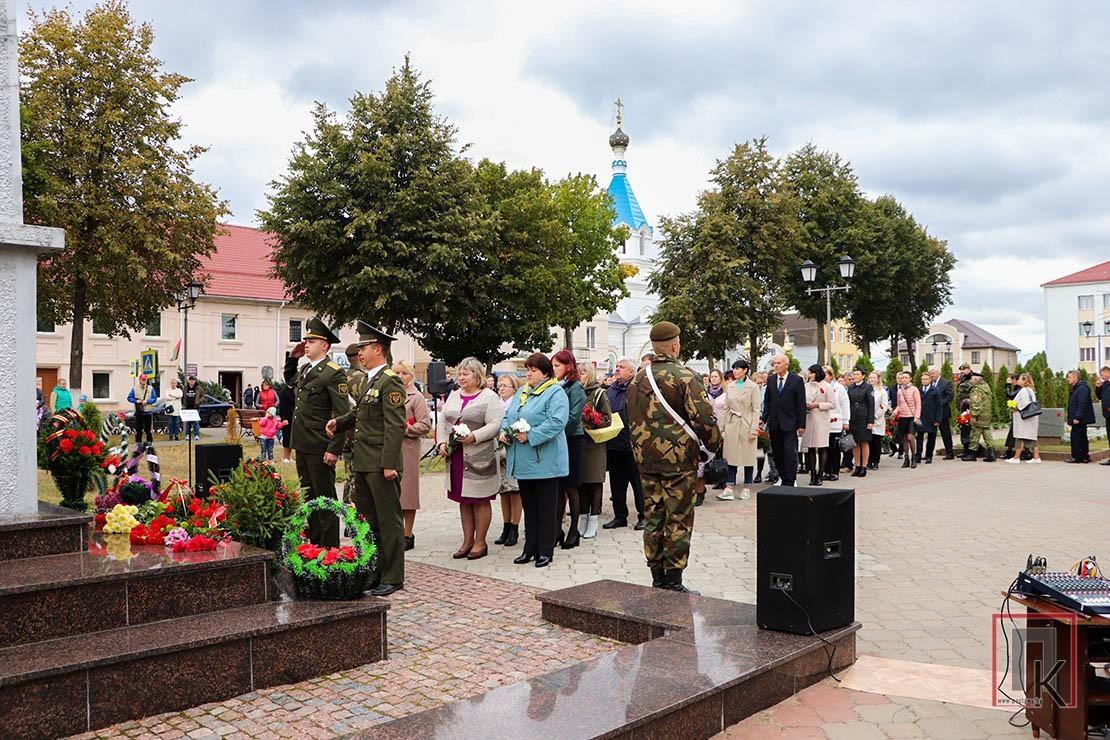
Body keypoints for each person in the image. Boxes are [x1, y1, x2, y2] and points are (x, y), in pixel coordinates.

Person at [626, 322, 720, 593]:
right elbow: (704, 418)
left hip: (646, 459)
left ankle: (656, 577)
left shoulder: (637, 378)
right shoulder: (685, 376)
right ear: (675, 345)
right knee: (678, 517)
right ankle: (674, 580)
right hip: (678, 461)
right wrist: (714, 446)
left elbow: (630, 416)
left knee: (653, 514)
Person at [327, 322, 406, 596]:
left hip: (380, 464)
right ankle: (375, 569)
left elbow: (395, 426)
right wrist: (339, 422)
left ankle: (394, 575)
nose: (360, 352)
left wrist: (388, 464)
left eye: (364, 347)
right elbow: (361, 416)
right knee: (368, 522)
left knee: (389, 521)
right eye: (359, 347)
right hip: (363, 461)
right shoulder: (370, 379)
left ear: (378, 349)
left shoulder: (390, 381)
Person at [284, 317, 350, 548]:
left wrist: (334, 449)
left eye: (311, 340)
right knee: (308, 499)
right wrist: (292, 359)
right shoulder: (306, 368)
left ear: (325, 345)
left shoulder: (333, 373)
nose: (306, 344)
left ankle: (330, 548)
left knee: (325, 499)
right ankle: (314, 545)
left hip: (320, 445)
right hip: (302, 443)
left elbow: (343, 416)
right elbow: (290, 381)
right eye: (306, 340)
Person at [502, 352, 569, 569]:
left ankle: (545, 550)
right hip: (523, 461)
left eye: (533, 370)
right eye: (526, 370)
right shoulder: (522, 391)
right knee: (530, 507)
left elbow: (557, 422)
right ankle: (529, 548)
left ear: (545, 372)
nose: (528, 374)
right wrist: (504, 431)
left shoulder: (555, 392)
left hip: (545, 460)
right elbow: (508, 415)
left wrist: (531, 435)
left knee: (546, 508)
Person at [437, 356, 504, 561]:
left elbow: (495, 424)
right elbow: (443, 421)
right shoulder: (454, 394)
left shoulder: (489, 397)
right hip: (457, 455)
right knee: (464, 500)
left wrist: (474, 436)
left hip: (479, 456)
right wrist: (441, 442)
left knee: (479, 499)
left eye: (465, 374)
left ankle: (480, 542)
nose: (461, 377)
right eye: (459, 374)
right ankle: (467, 540)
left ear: (477, 375)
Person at [604, 357, 646, 531]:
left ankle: (644, 516)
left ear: (632, 372)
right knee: (617, 483)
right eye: (617, 366)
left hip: (632, 445)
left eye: (622, 367)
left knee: (638, 484)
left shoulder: (637, 389)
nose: (617, 369)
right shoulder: (610, 390)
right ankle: (620, 516)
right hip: (613, 444)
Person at [552, 349, 586, 550]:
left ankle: (574, 530)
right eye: (553, 366)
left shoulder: (576, 388)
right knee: (558, 487)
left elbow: (573, 418)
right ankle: (556, 529)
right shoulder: (555, 387)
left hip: (572, 439)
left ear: (568, 367)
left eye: (557, 365)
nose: (554, 369)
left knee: (571, 486)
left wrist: (553, 432)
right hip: (558, 440)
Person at [395, 361, 430, 551]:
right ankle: (396, 531)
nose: (400, 377)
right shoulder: (390, 394)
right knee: (393, 493)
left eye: (405, 373)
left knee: (407, 493)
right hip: (390, 447)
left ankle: (408, 534)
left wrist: (408, 428)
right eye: (397, 373)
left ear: (411, 376)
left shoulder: (416, 397)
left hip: (408, 447)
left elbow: (425, 424)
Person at [578, 362, 611, 539]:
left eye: (583, 373)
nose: (580, 376)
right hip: (579, 443)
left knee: (594, 482)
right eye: (578, 373)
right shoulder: (575, 391)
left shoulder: (599, 393)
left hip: (594, 444)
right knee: (581, 483)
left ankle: (593, 519)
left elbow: (607, 419)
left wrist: (591, 418)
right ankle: (583, 518)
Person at [762, 354, 807, 487]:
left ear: (786, 365)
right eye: (774, 363)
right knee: (777, 452)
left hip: (790, 422)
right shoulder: (770, 380)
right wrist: (764, 418)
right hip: (775, 423)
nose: (775, 366)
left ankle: (790, 480)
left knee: (789, 452)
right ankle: (782, 476)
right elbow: (767, 402)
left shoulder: (796, 380)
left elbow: (801, 404)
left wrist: (802, 424)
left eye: (778, 363)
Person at [719, 359, 760, 500]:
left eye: (738, 368)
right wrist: (723, 428)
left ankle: (747, 486)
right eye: (734, 368)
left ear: (745, 370)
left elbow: (756, 409)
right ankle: (729, 486)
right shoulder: (730, 386)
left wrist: (754, 429)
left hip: (747, 422)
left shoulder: (753, 387)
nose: (735, 371)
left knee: (748, 456)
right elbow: (726, 407)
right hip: (732, 423)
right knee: (731, 456)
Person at [494, 374, 523, 545]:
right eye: (500, 385)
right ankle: (505, 526)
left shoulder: (516, 403)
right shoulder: (497, 404)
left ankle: (515, 527)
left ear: (514, 388)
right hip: (499, 451)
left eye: (505, 385)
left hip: (512, 450)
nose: (501, 388)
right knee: (503, 491)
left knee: (514, 491)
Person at [341, 343, 368, 505]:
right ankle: (356, 516)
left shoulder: (341, 377)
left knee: (348, 474)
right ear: (360, 356)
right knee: (358, 477)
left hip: (343, 432)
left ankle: (347, 514)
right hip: (358, 433)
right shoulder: (363, 378)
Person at [799, 364, 833, 487]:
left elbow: (831, 404)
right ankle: (812, 473)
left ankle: (820, 474)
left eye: (812, 373)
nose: (810, 375)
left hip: (821, 419)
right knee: (810, 447)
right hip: (809, 418)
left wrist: (818, 404)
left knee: (822, 446)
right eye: (809, 373)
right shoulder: (805, 386)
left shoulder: (827, 386)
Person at [846, 368, 875, 477]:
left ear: (863, 376)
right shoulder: (851, 387)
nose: (855, 376)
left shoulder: (868, 387)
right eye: (854, 374)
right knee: (855, 443)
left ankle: (864, 466)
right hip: (853, 418)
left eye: (858, 374)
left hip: (864, 417)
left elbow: (871, 404)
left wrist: (870, 420)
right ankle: (857, 466)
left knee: (864, 441)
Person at [1009, 373, 1042, 465]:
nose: (1018, 380)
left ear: (1024, 381)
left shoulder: (1023, 390)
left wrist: (1014, 407)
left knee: (1020, 436)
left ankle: (1016, 458)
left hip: (1024, 418)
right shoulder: (1031, 390)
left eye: (1020, 379)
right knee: (1031, 437)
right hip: (1031, 417)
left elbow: (1024, 403)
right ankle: (1036, 457)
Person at [824, 367, 849, 481]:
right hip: (824, 422)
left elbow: (845, 405)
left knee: (835, 448)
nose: (824, 376)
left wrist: (845, 421)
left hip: (836, 421)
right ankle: (826, 470)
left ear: (831, 375)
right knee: (825, 448)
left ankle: (834, 471)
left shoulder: (839, 388)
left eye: (825, 374)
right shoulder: (822, 386)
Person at [965, 372, 995, 463]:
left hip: (979, 415)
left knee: (974, 434)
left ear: (975, 380)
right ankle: (991, 454)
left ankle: (972, 454)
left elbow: (976, 403)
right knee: (987, 434)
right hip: (987, 414)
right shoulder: (986, 387)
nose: (970, 381)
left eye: (971, 379)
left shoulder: (976, 390)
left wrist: (973, 416)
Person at [1066, 370, 1095, 464]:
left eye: (1069, 377)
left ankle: (1077, 456)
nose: (1068, 379)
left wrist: (1077, 417)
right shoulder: (1077, 388)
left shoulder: (1082, 388)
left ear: (1075, 377)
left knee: (1076, 436)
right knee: (1081, 436)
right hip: (1080, 418)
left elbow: (1082, 404)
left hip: (1079, 418)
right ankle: (1084, 456)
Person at [894, 371, 922, 468]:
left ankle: (913, 457)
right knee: (904, 439)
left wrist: (917, 417)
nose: (903, 379)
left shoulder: (914, 389)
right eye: (902, 378)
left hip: (911, 417)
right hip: (902, 416)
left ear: (910, 379)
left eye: (906, 377)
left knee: (910, 437)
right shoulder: (899, 390)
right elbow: (899, 404)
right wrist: (894, 412)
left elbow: (918, 404)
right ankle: (906, 458)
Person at [916, 370, 942, 465]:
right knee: (919, 437)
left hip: (932, 418)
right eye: (923, 379)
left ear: (930, 380)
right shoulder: (918, 390)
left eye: (926, 379)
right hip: (921, 417)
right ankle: (918, 455)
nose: (924, 381)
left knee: (931, 438)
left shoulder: (935, 391)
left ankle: (929, 456)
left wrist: (938, 420)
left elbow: (939, 406)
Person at [929, 367, 955, 459]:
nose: (931, 375)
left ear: (938, 373)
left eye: (933, 373)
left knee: (945, 433)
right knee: (931, 434)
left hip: (943, 412)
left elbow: (949, 396)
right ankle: (929, 454)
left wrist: (939, 404)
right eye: (930, 374)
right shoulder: (929, 383)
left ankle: (949, 453)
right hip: (931, 413)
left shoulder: (946, 382)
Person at [867, 372, 889, 470]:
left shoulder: (882, 391)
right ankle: (868, 461)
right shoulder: (866, 389)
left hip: (877, 420)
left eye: (874, 378)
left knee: (876, 441)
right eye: (870, 378)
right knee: (868, 442)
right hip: (866, 419)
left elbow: (884, 406)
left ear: (878, 379)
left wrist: (875, 416)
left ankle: (875, 461)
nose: (872, 379)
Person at [128, 374, 157, 445]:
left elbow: (154, 398)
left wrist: (147, 401)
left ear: (147, 380)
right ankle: (138, 442)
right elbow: (129, 397)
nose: (144, 381)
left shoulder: (151, 388)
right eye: (142, 379)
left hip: (148, 411)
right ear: (139, 380)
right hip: (139, 412)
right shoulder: (135, 388)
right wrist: (136, 401)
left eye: (145, 379)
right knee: (138, 429)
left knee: (148, 429)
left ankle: (149, 442)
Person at [954, 363, 974, 456]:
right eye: (961, 370)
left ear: (969, 369)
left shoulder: (972, 379)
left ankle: (970, 451)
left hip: (968, 409)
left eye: (964, 369)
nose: (962, 371)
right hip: (961, 409)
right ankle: (965, 450)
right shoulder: (962, 379)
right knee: (963, 429)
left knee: (968, 430)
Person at [1001, 373, 1020, 460]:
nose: (1011, 382)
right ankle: (1009, 451)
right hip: (1016, 413)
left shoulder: (1020, 389)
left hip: (1019, 414)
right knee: (1013, 433)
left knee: (1015, 433)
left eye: (1012, 380)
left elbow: (1010, 395)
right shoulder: (1017, 388)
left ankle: (1010, 452)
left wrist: (1007, 385)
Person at [277, 380, 295, 463]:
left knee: (291, 438)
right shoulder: (284, 392)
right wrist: (284, 418)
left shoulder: (294, 391)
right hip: (287, 418)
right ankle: (285, 457)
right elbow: (282, 407)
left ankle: (289, 457)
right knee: (286, 437)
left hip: (293, 418)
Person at [1097, 366, 1110, 465]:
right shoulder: (1105, 384)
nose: (1100, 376)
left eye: (1101, 374)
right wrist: (1098, 387)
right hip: (1107, 414)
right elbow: (1100, 396)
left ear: (1107, 373)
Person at [182, 376, 202, 441]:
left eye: (193, 380)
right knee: (187, 422)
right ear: (188, 381)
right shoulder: (185, 388)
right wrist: (183, 404)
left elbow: (203, 396)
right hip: (187, 407)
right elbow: (182, 397)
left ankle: (196, 435)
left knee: (196, 421)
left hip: (195, 408)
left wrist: (199, 401)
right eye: (190, 380)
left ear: (195, 381)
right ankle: (187, 435)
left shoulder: (198, 388)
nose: (191, 381)